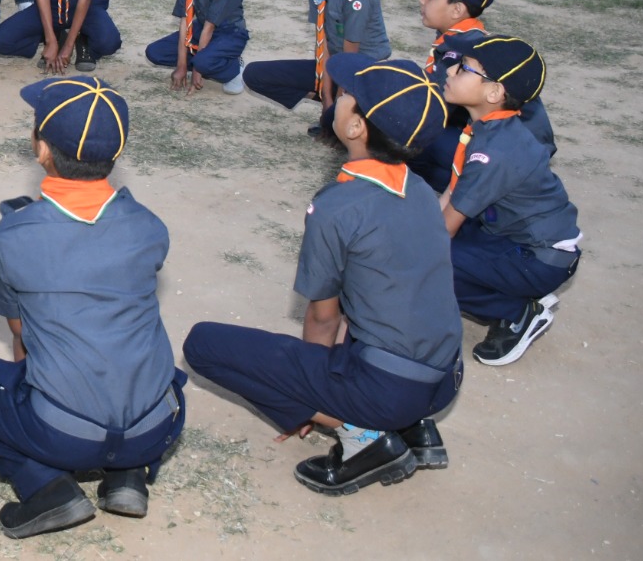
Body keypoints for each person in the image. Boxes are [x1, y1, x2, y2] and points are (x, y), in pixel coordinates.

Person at [185, 56, 462, 496]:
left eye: (349, 96)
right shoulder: (421, 191)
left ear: (355, 129)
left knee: (201, 345)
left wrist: (313, 394)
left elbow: (323, 319)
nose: (339, 96)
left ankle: (364, 435)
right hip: (444, 380)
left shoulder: (338, 206)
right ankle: (413, 429)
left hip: (390, 390)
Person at [0, 76, 187, 538]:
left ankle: (47, 487)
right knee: (145, 365)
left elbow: (20, 333)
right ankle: (126, 475)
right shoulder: (150, 227)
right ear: (118, 152)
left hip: (65, 435)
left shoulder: (12, 236)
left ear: (41, 149)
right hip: (154, 427)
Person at [438, 36, 580, 366]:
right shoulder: (488, 128)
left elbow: (444, 228)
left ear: (494, 93)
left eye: (464, 69)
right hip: (515, 237)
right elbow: (450, 196)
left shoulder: (494, 151)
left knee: (426, 263)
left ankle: (518, 312)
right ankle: (511, 288)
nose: (450, 72)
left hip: (540, 256)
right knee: (421, 243)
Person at [405, 0, 555, 190]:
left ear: (457, 9)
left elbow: (429, 108)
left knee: (401, 135)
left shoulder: (465, 51)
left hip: (515, 153)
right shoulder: (464, 36)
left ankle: (482, 192)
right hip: (510, 143)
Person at [242, 0, 390, 138]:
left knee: (348, 135)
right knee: (254, 74)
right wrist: (326, 96)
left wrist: (336, 105)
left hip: (364, 72)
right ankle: (332, 103)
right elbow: (325, 42)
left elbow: (351, 62)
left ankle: (356, 113)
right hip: (335, 64)